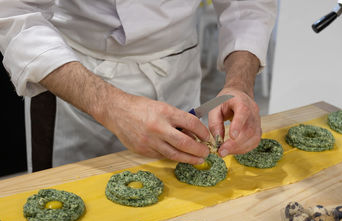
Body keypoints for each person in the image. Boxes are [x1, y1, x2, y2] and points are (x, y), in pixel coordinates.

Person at [0, 0, 277, 172]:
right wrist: (111, 107)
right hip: (75, 78)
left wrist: (239, 82)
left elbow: (248, 5)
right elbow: (16, 17)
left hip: (177, 71)